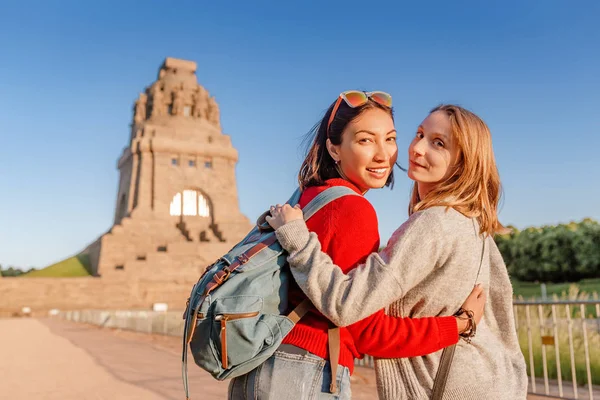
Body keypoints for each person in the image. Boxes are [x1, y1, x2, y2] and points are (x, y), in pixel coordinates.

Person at [229, 94, 486, 400]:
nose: (383, 155)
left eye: (390, 139)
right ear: (334, 148)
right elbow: (368, 331)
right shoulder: (352, 209)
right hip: (304, 372)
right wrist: (457, 325)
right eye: (366, 141)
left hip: (265, 365)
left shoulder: (310, 197)